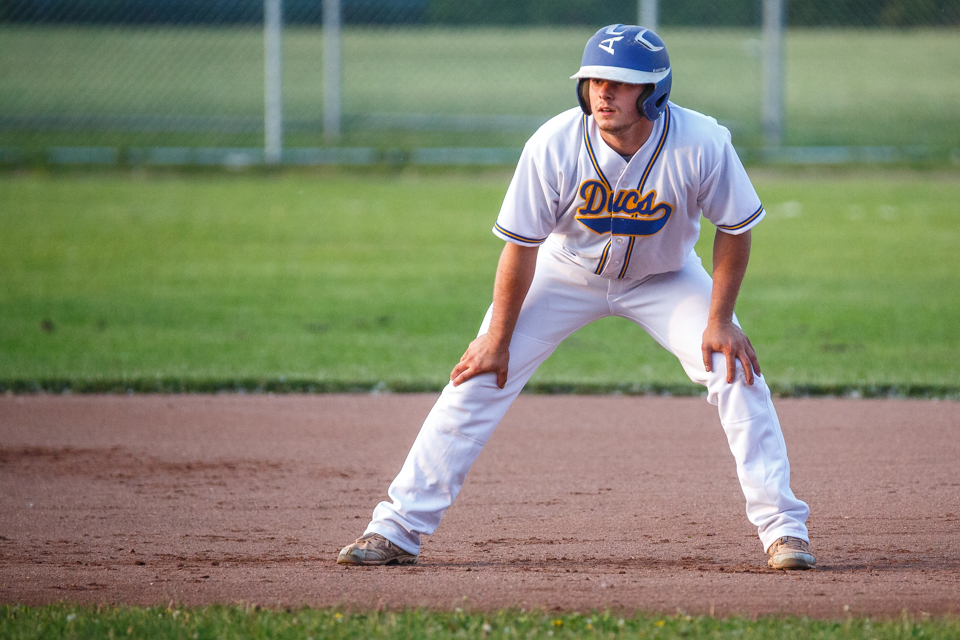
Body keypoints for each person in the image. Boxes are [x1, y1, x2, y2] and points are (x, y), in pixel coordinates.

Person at [337, 24, 815, 571]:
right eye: (594, 80)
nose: (603, 92)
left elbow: (734, 228)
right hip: (564, 272)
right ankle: (396, 529)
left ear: (654, 92)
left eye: (620, 82)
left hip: (666, 277)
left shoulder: (702, 141)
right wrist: (497, 338)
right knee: (478, 374)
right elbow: (521, 247)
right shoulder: (553, 144)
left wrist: (721, 319)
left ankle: (784, 529)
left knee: (734, 370)